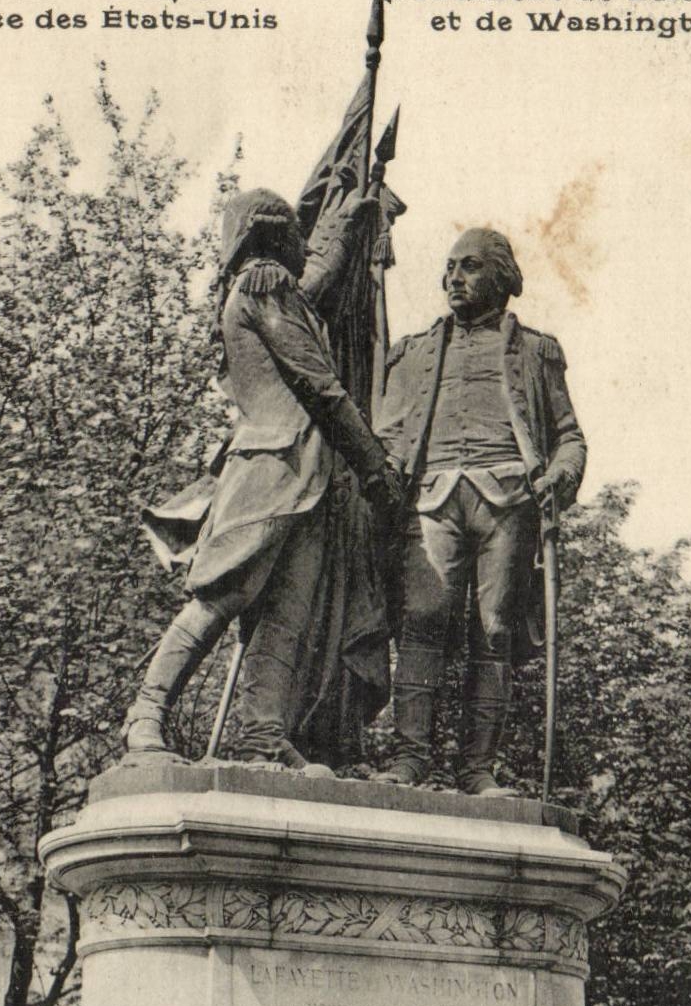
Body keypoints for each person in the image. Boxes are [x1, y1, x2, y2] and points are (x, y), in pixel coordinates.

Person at [123, 187, 398, 768]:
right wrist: (375, 468)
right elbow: (318, 383)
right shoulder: (265, 283)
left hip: (304, 477)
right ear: (271, 236)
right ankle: (145, 717)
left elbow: (316, 286)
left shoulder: (273, 292)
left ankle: (261, 735)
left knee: (285, 617)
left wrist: (347, 222)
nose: (303, 240)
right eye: (296, 230)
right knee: (223, 597)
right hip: (274, 468)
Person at [373, 227, 587, 794]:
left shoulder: (538, 352)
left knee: (493, 632)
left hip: (509, 502)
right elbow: (388, 437)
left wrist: (561, 476)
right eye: (449, 268)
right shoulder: (414, 352)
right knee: (421, 620)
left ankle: (477, 769)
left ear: (501, 277)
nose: (454, 279)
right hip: (432, 500)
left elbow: (569, 437)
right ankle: (409, 758)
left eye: (468, 267)